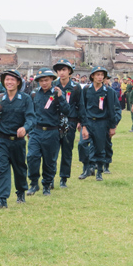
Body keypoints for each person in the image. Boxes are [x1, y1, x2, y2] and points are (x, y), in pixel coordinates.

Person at [0, 69, 35, 209]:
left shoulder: (25, 99)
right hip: (2, 139)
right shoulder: (0, 98)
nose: (9, 82)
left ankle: (21, 191)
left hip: (18, 141)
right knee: (2, 168)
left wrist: (25, 128)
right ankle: (1, 199)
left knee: (19, 168)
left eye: (12, 80)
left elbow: (31, 118)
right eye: (7, 80)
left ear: (18, 82)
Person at [27, 68, 71, 196]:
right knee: (32, 157)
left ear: (52, 79)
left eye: (46, 80)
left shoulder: (58, 93)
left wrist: (61, 98)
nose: (44, 83)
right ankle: (34, 183)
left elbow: (67, 111)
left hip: (52, 132)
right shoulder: (34, 93)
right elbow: (30, 112)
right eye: (41, 81)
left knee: (49, 161)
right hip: (36, 131)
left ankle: (47, 184)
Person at [77, 66, 117, 181]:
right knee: (82, 144)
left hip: (101, 122)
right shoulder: (86, 89)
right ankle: (86, 168)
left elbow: (111, 110)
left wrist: (112, 126)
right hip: (88, 122)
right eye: (97, 74)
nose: (100, 77)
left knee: (100, 147)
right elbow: (82, 107)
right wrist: (81, 122)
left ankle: (99, 171)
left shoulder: (108, 91)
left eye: (102, 75)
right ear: (92, 76)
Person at [52, 59, 85, 188]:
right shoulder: (53, 85)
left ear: (70, 72)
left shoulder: (76, 87)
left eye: (64, 70)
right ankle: (50, 177)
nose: (61, 72)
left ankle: (64, 178)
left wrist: (81, 122)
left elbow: (80, 105)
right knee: (52, 152)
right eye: (59, 70)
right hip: (54, 122)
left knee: (67, 151)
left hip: (70, 121)